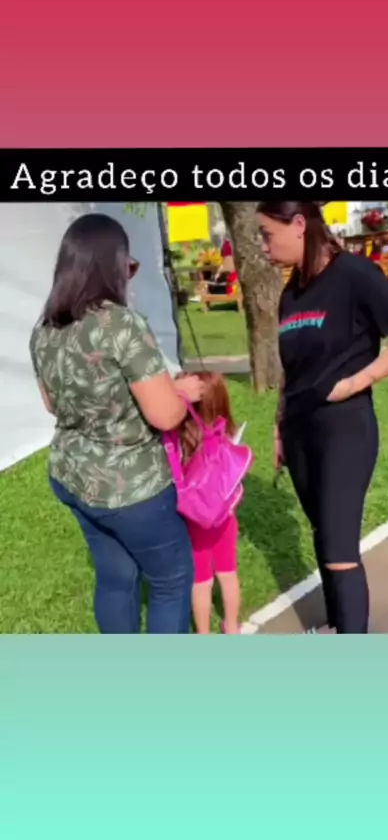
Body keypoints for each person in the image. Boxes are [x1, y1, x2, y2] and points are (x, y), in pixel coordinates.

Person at [29, 212, 204, 634]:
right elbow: (165, 414)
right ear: (113, 265)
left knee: (115, 577)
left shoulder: (45, 329)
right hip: (131, 488)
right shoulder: (121, 324)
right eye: (130, 265)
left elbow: (51, 404)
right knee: (170, 581)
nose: (130, 276)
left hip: (73, 476)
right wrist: (182, 393)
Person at [256, 201, 388, 634]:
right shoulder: (291, 293)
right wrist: (279, 428)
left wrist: (357, 381)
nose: (263, 245)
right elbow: (290, 372)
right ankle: (337, 626)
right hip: (299, 430)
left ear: (298, 225)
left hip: (343, 427)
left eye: (267, 234)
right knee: (323, 532)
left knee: (338, 546)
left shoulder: (354, 273)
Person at [178, 372, 242, 634]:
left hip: (196, 523)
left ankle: (203, 634)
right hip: (225, 518)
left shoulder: (182, 438)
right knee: (228, 573)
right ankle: (232, 626)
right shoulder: (227, 434)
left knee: (201, 582)